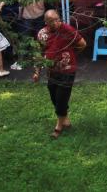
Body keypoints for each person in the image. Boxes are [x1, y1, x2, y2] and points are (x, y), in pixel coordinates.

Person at [34, 9, 86, 138]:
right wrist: (37, 72)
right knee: (54, 97)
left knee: (62, 98)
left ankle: (58, 126)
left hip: (67, 70)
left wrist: (72, 54)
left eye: (57, 19)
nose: (56, 23)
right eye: (52, 21)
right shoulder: (42, 34)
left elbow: (82, 44)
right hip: (51, 70)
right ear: (46, 22)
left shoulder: (67, 30)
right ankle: (65, 120)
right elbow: (39, 53)